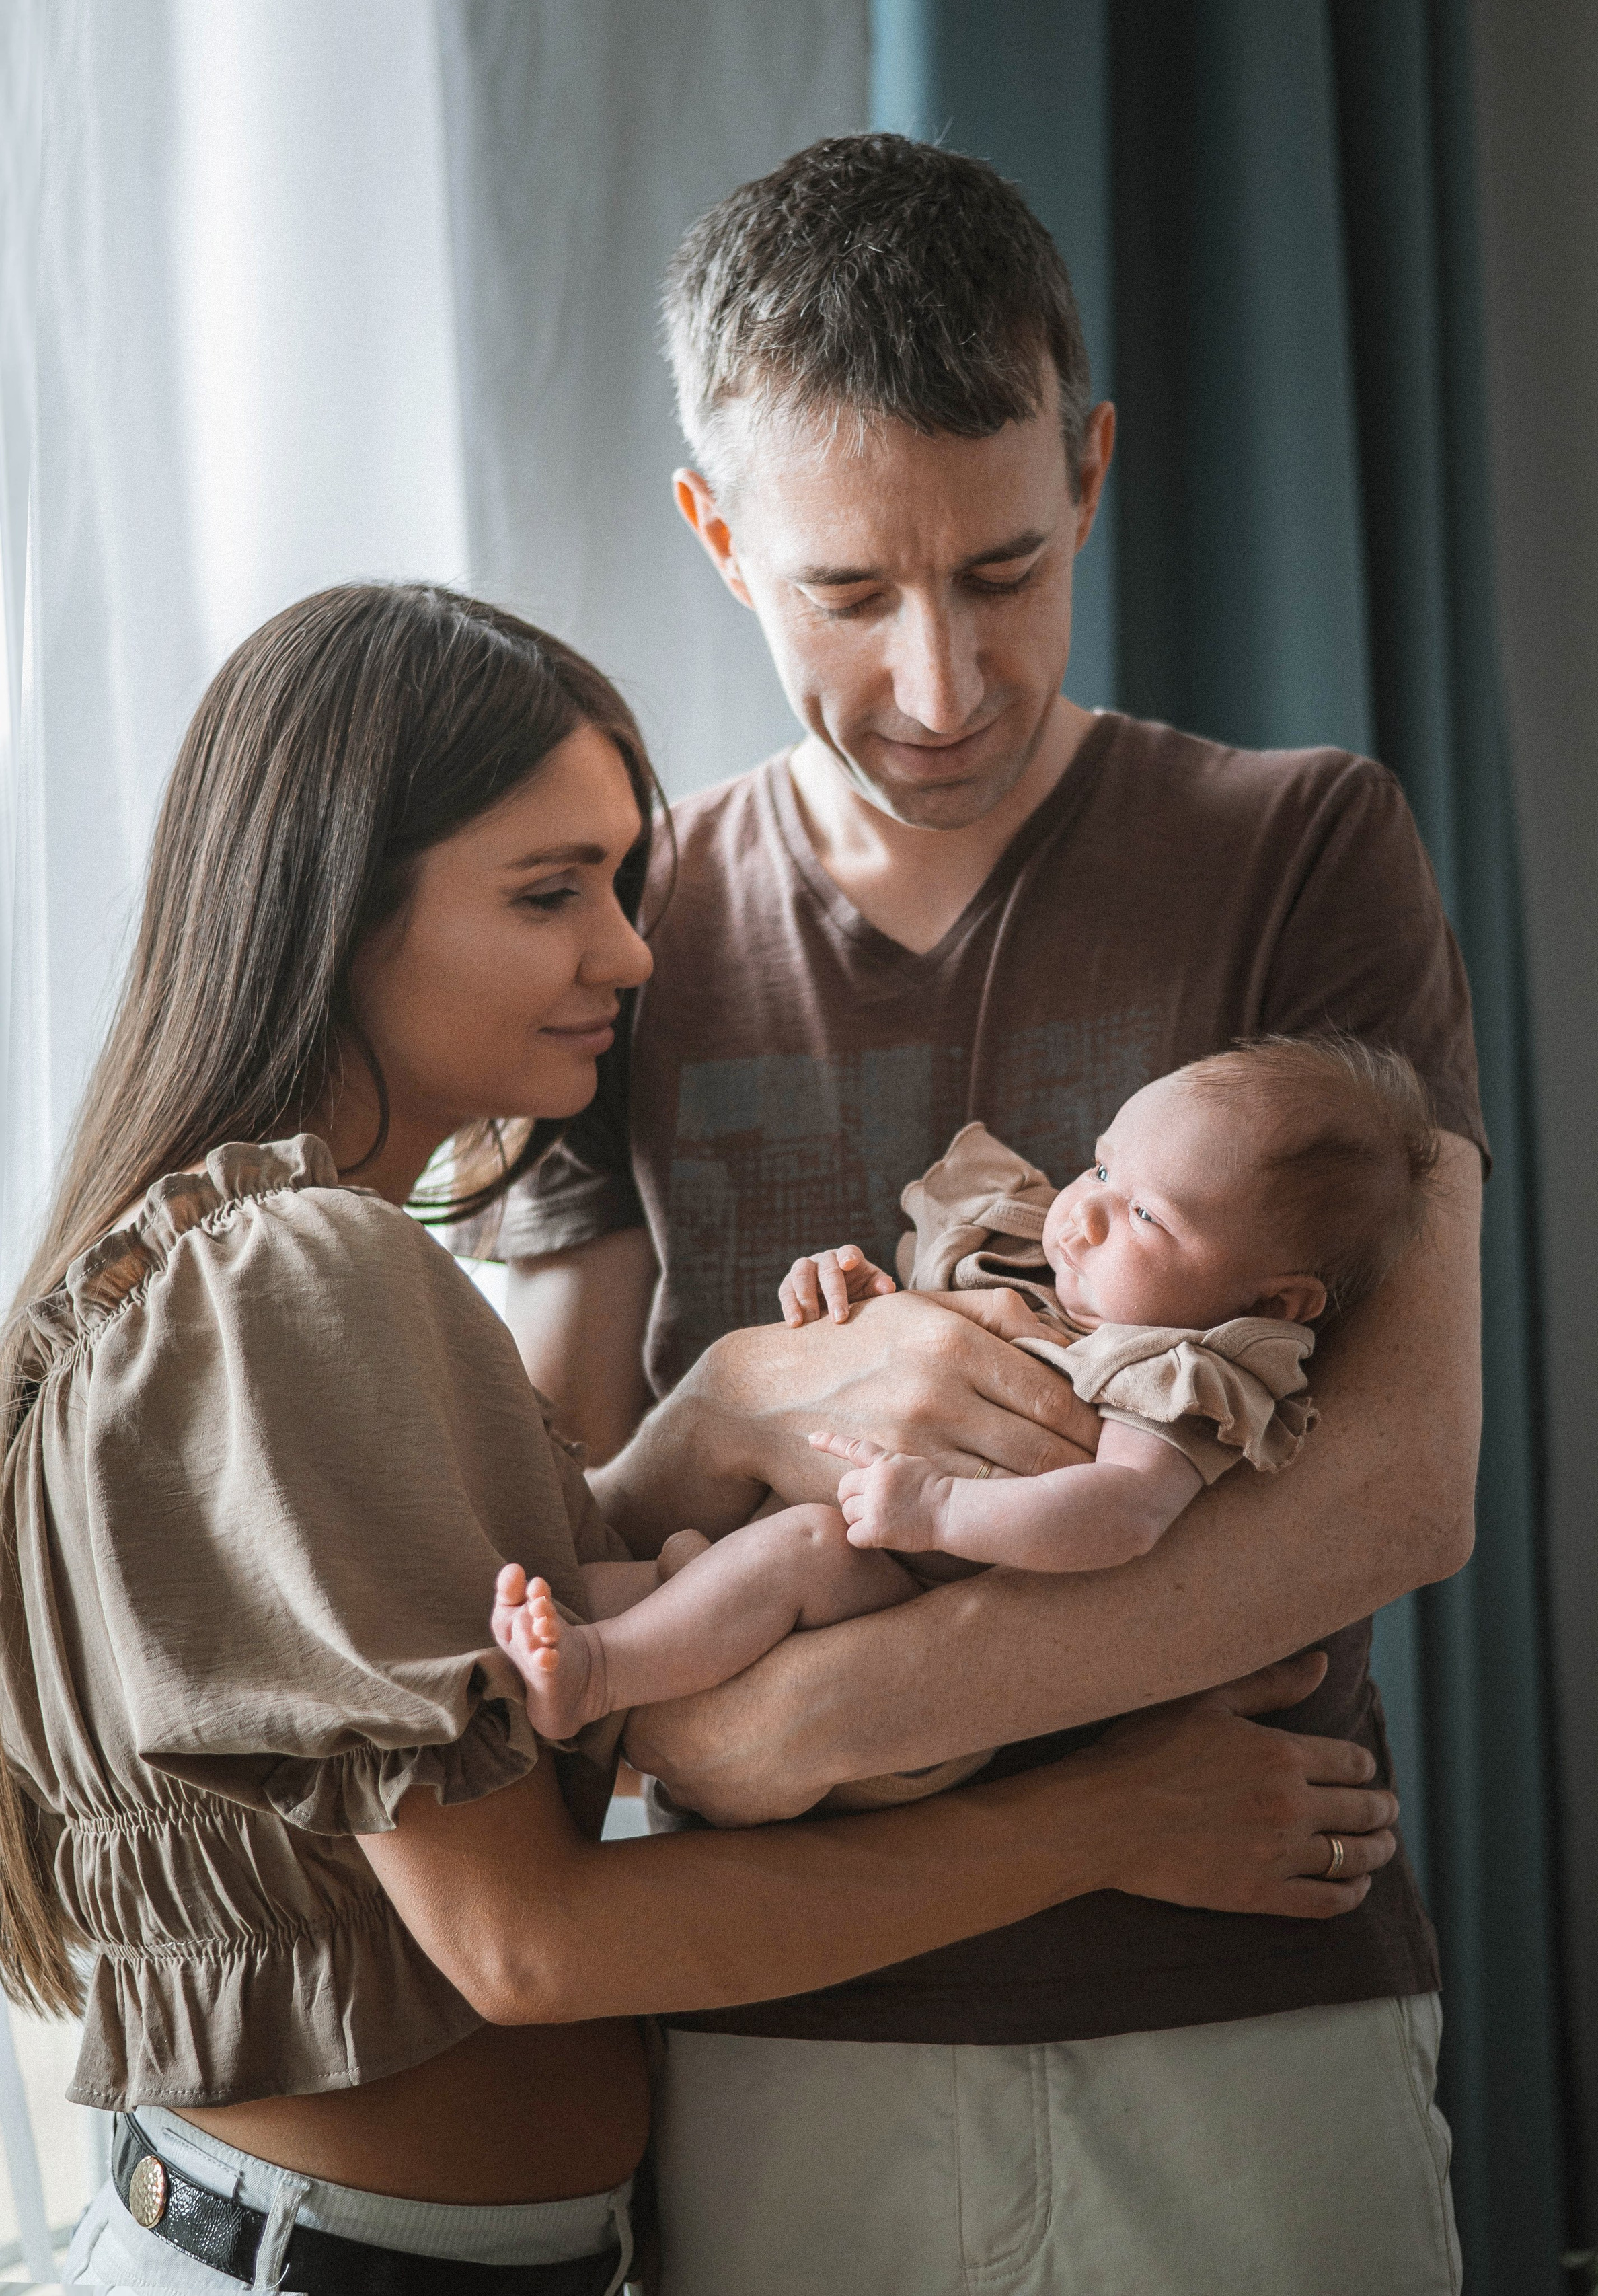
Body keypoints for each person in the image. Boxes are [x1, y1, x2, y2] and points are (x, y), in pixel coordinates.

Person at [0, 584, 1396, 2296]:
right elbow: (523, 1943)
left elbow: (494, 1664)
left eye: (619, 879)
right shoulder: (301, 1271)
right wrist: (1110, 1820)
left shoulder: (231, 1264)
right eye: (548, 893)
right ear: (339, 909)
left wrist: (725, 1407)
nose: (631, 955)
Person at [479, 134, 1484, 2294]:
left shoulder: (1307, 845)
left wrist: (809, 1722)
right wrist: (754, 1378)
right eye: (846, 593)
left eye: (1005, 571)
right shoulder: (613, 924)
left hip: (1252, 1989)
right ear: (715, 529)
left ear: (1096, 467)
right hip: (779, 2038)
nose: (940, 683)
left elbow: (1397, 1489)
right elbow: (559, 1511)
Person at [491, 1037, 1438, 1770]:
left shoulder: (1182, 1376)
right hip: (807, 1528)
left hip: (900, 1601)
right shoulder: (1031, 1256)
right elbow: (889, 1344)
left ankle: (592, 1676)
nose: (1087, 1210)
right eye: (1104, 1167)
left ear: (1272, 1302)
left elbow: (1124, 1514)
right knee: (614, 1588)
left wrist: (942, 1508)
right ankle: (525, 1663)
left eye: (1150, 1216)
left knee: (792, 1555)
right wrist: (847, 1289)